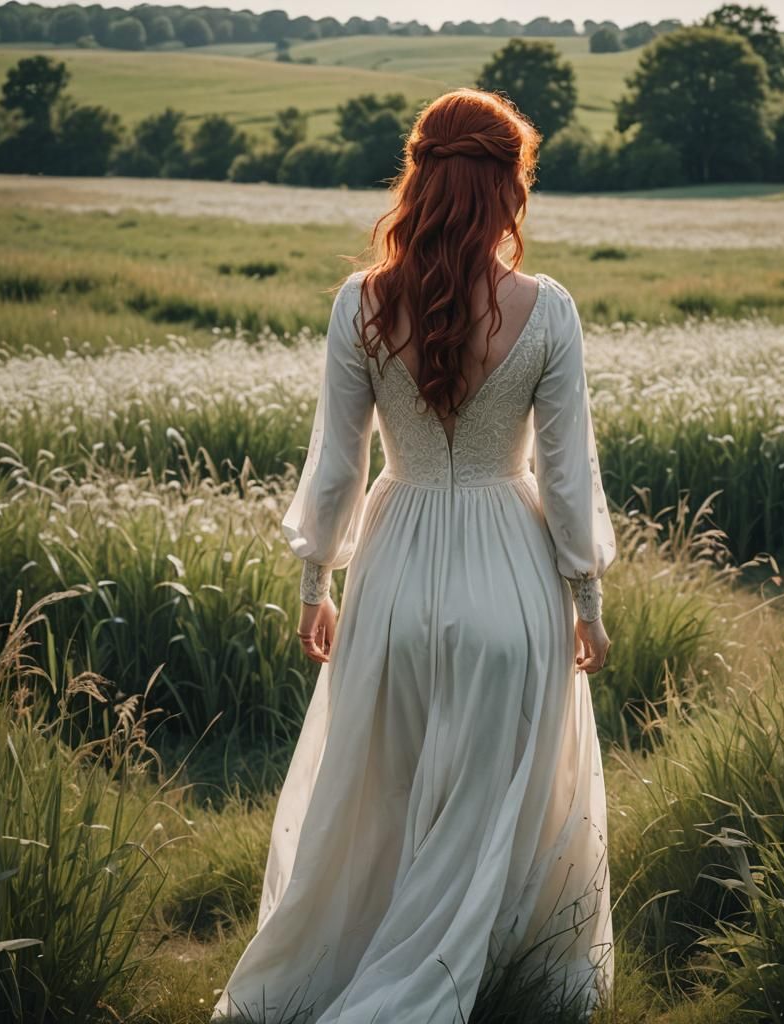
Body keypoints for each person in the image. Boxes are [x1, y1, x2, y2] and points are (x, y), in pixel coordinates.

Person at [212, 86, 617, 1024]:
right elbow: (568, 476)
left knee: (382, 793)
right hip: (511, 579)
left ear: (419, 177)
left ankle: (365, 964)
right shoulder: (547, 310)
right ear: (510, 187)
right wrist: (587, 600)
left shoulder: (361, 302)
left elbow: (336, 463)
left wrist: (318, 580)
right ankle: (475, 973)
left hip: (392, 573)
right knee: (496, 801)